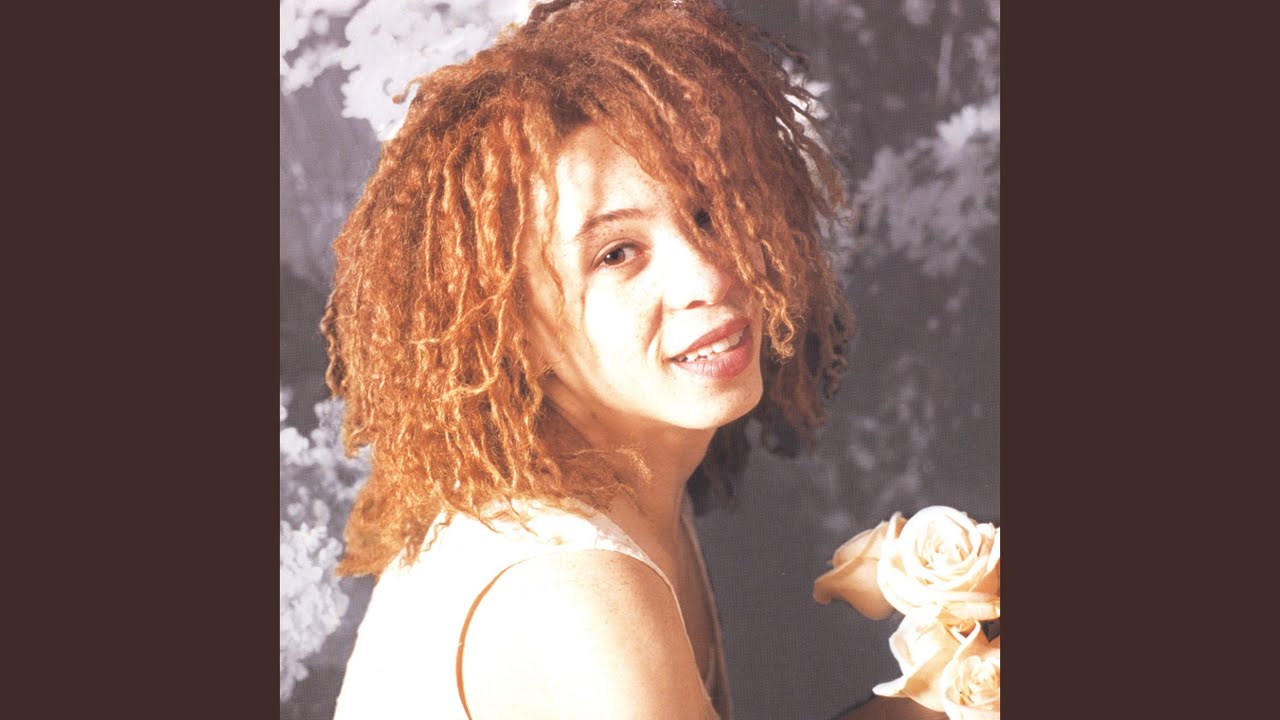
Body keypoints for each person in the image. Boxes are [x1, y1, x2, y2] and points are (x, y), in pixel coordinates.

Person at [322, 1, 855, 718]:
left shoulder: (620, 487)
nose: (708, 276)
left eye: (708, 214)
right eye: (617, 253)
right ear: (510, 326)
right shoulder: (575, 591)